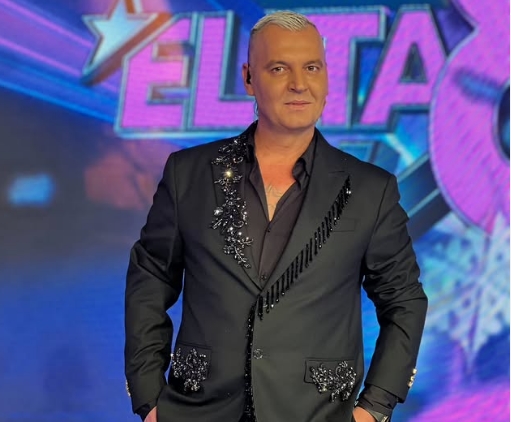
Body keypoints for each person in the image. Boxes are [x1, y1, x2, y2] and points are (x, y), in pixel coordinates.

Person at [125, 10, 428, 422]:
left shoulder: (371, 189)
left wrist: (374, 407)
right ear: (249, 78)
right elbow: (151, 278)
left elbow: (404, 300)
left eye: (312, 67)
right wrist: (148, 397)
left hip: (320, 413)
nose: (299, 83)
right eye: (279, 68)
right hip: (199, 410)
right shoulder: (188, 174)